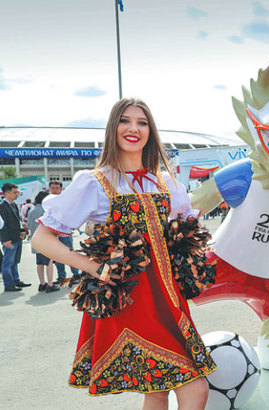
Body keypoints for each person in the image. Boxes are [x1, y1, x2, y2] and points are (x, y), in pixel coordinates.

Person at [32, 97, 215, 409]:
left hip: (170, 299)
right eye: (125, 121)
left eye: (142, 122)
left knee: (157, 389)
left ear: (151, 132)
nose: (134, 128)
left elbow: (185, 230)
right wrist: (91, 266)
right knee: (195, 388)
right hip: (133, 301)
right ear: (112, 129)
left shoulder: (166, 181)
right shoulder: (95, 182)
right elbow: (40, 238)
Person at [48, 181, 81, 284]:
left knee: (70, 253)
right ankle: (61, 276)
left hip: (65, 232)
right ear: (49, 189)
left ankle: (76, 274)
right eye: (52, 188)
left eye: (57, 188)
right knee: (57, 255)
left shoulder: (66, 201)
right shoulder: (47, 201)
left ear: (61, 189)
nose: (54, 190)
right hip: (53, 233)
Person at [1, 182, 30, 292]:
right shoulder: (2, 206)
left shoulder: (14, 204)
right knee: (8, 262)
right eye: (15, 192)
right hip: (9, 239)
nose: (17, 194)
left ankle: (16, 280)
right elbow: (2, 225)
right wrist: (5, 239)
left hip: (17, 237)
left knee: (15, 261)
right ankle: (8, 284)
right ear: (7, 193)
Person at [27, 191, 59, 293]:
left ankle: (42, 283)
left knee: (39, 263)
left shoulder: (32, 210)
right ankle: (50, 284)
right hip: (47, 241)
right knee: (49, 263)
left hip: (36, 240)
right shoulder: (48, 210)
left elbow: (28, 226)